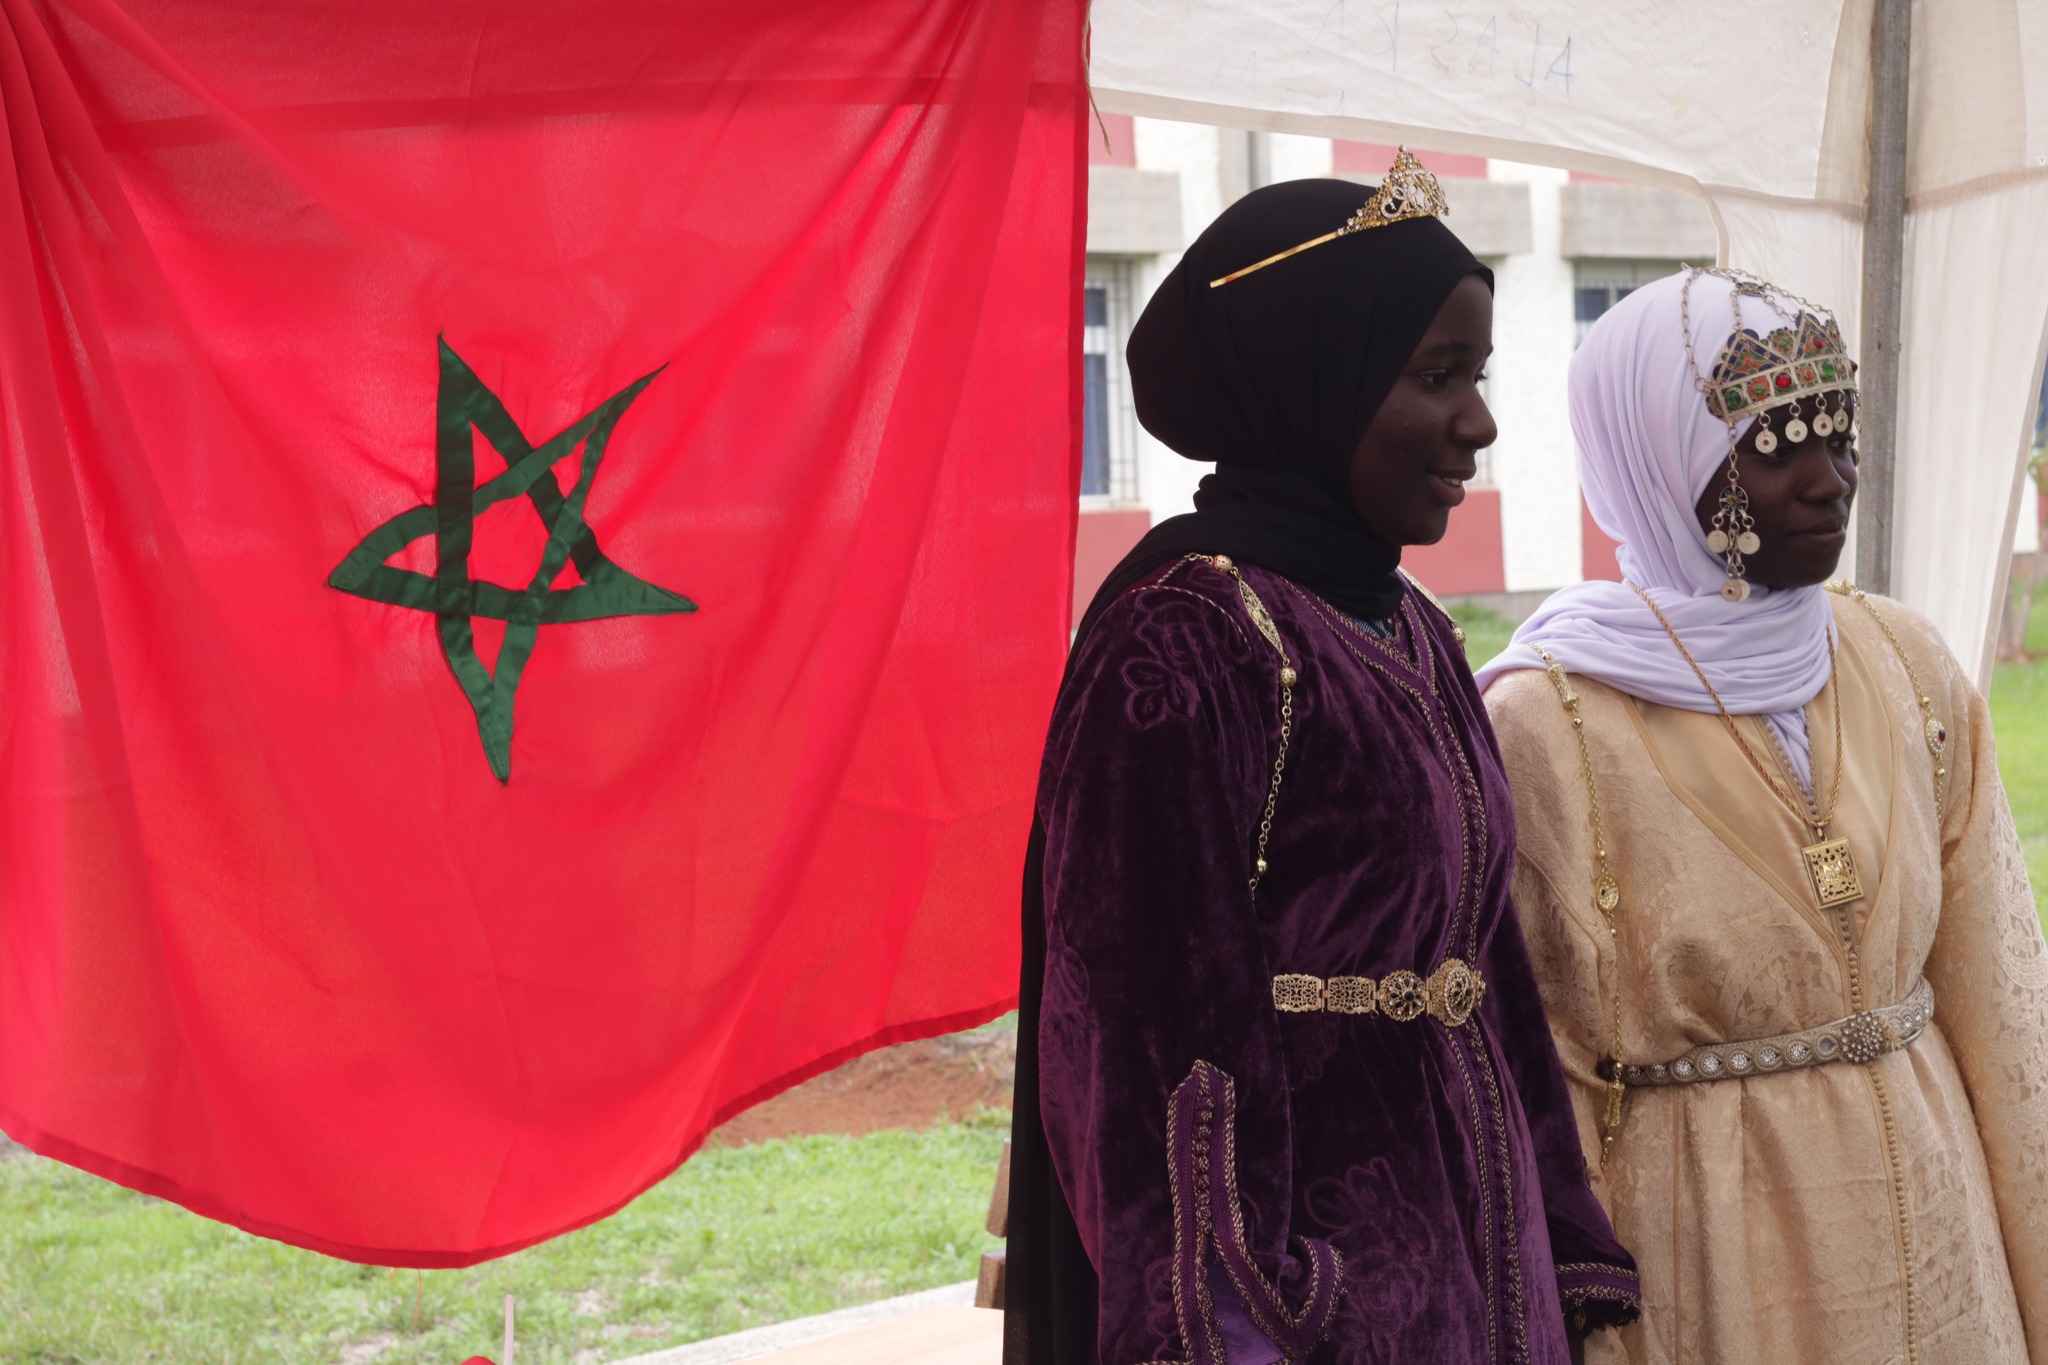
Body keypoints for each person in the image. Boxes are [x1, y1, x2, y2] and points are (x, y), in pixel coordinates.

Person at [1004, 153, 1640, 1365]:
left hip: (1480, 1270)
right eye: (1433, 376)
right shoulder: (1189, 637)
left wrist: (1560, 1242)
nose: (1479, 422)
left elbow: (1480, 961)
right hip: (1327, 1315)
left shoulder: (1406, 623)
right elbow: (1137, 1049)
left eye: (1478, 374)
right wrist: (1262, 1314)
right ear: (1310, 379)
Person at [1478, 267, 2048, 1363]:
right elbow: (1538, 1083)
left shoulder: (1903, 662)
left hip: (1940, 1241)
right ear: (1662, 459)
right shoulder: (1545, 722)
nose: (1828, 479)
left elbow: (2005, 1012)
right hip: (1715, 1259)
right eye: (1775, 444)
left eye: (1836, 431)